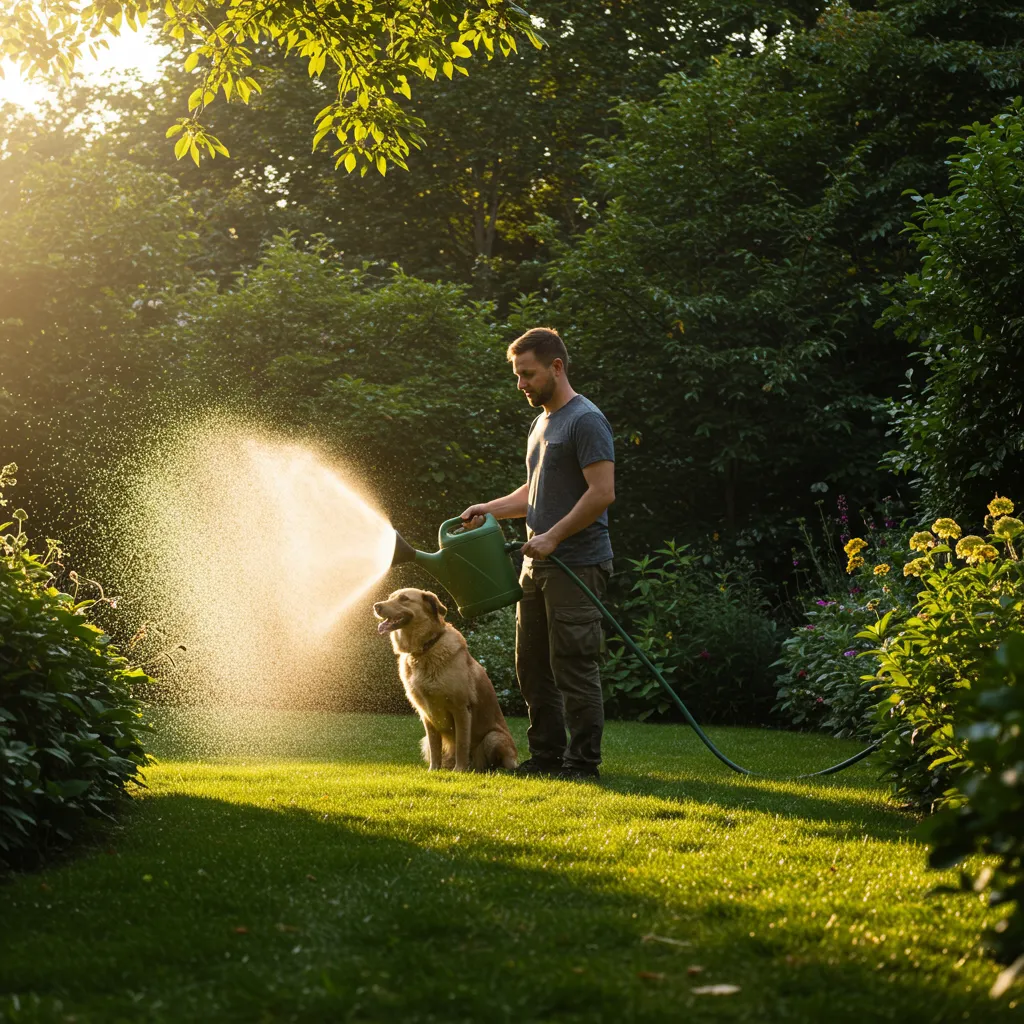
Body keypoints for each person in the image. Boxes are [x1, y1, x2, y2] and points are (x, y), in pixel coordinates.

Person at [461, 327, 615, 781]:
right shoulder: (542, 422)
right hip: (537, 566)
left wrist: (553, 537)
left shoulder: (585, 420)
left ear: (556, 367)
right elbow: (536, 491)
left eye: (527, 374)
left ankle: (582, 764)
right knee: (531, 666)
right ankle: (546, 757)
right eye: (517, 375)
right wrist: (491, 508)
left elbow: (601, 493)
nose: (521, 385)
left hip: (577, 564)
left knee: (573, 665)